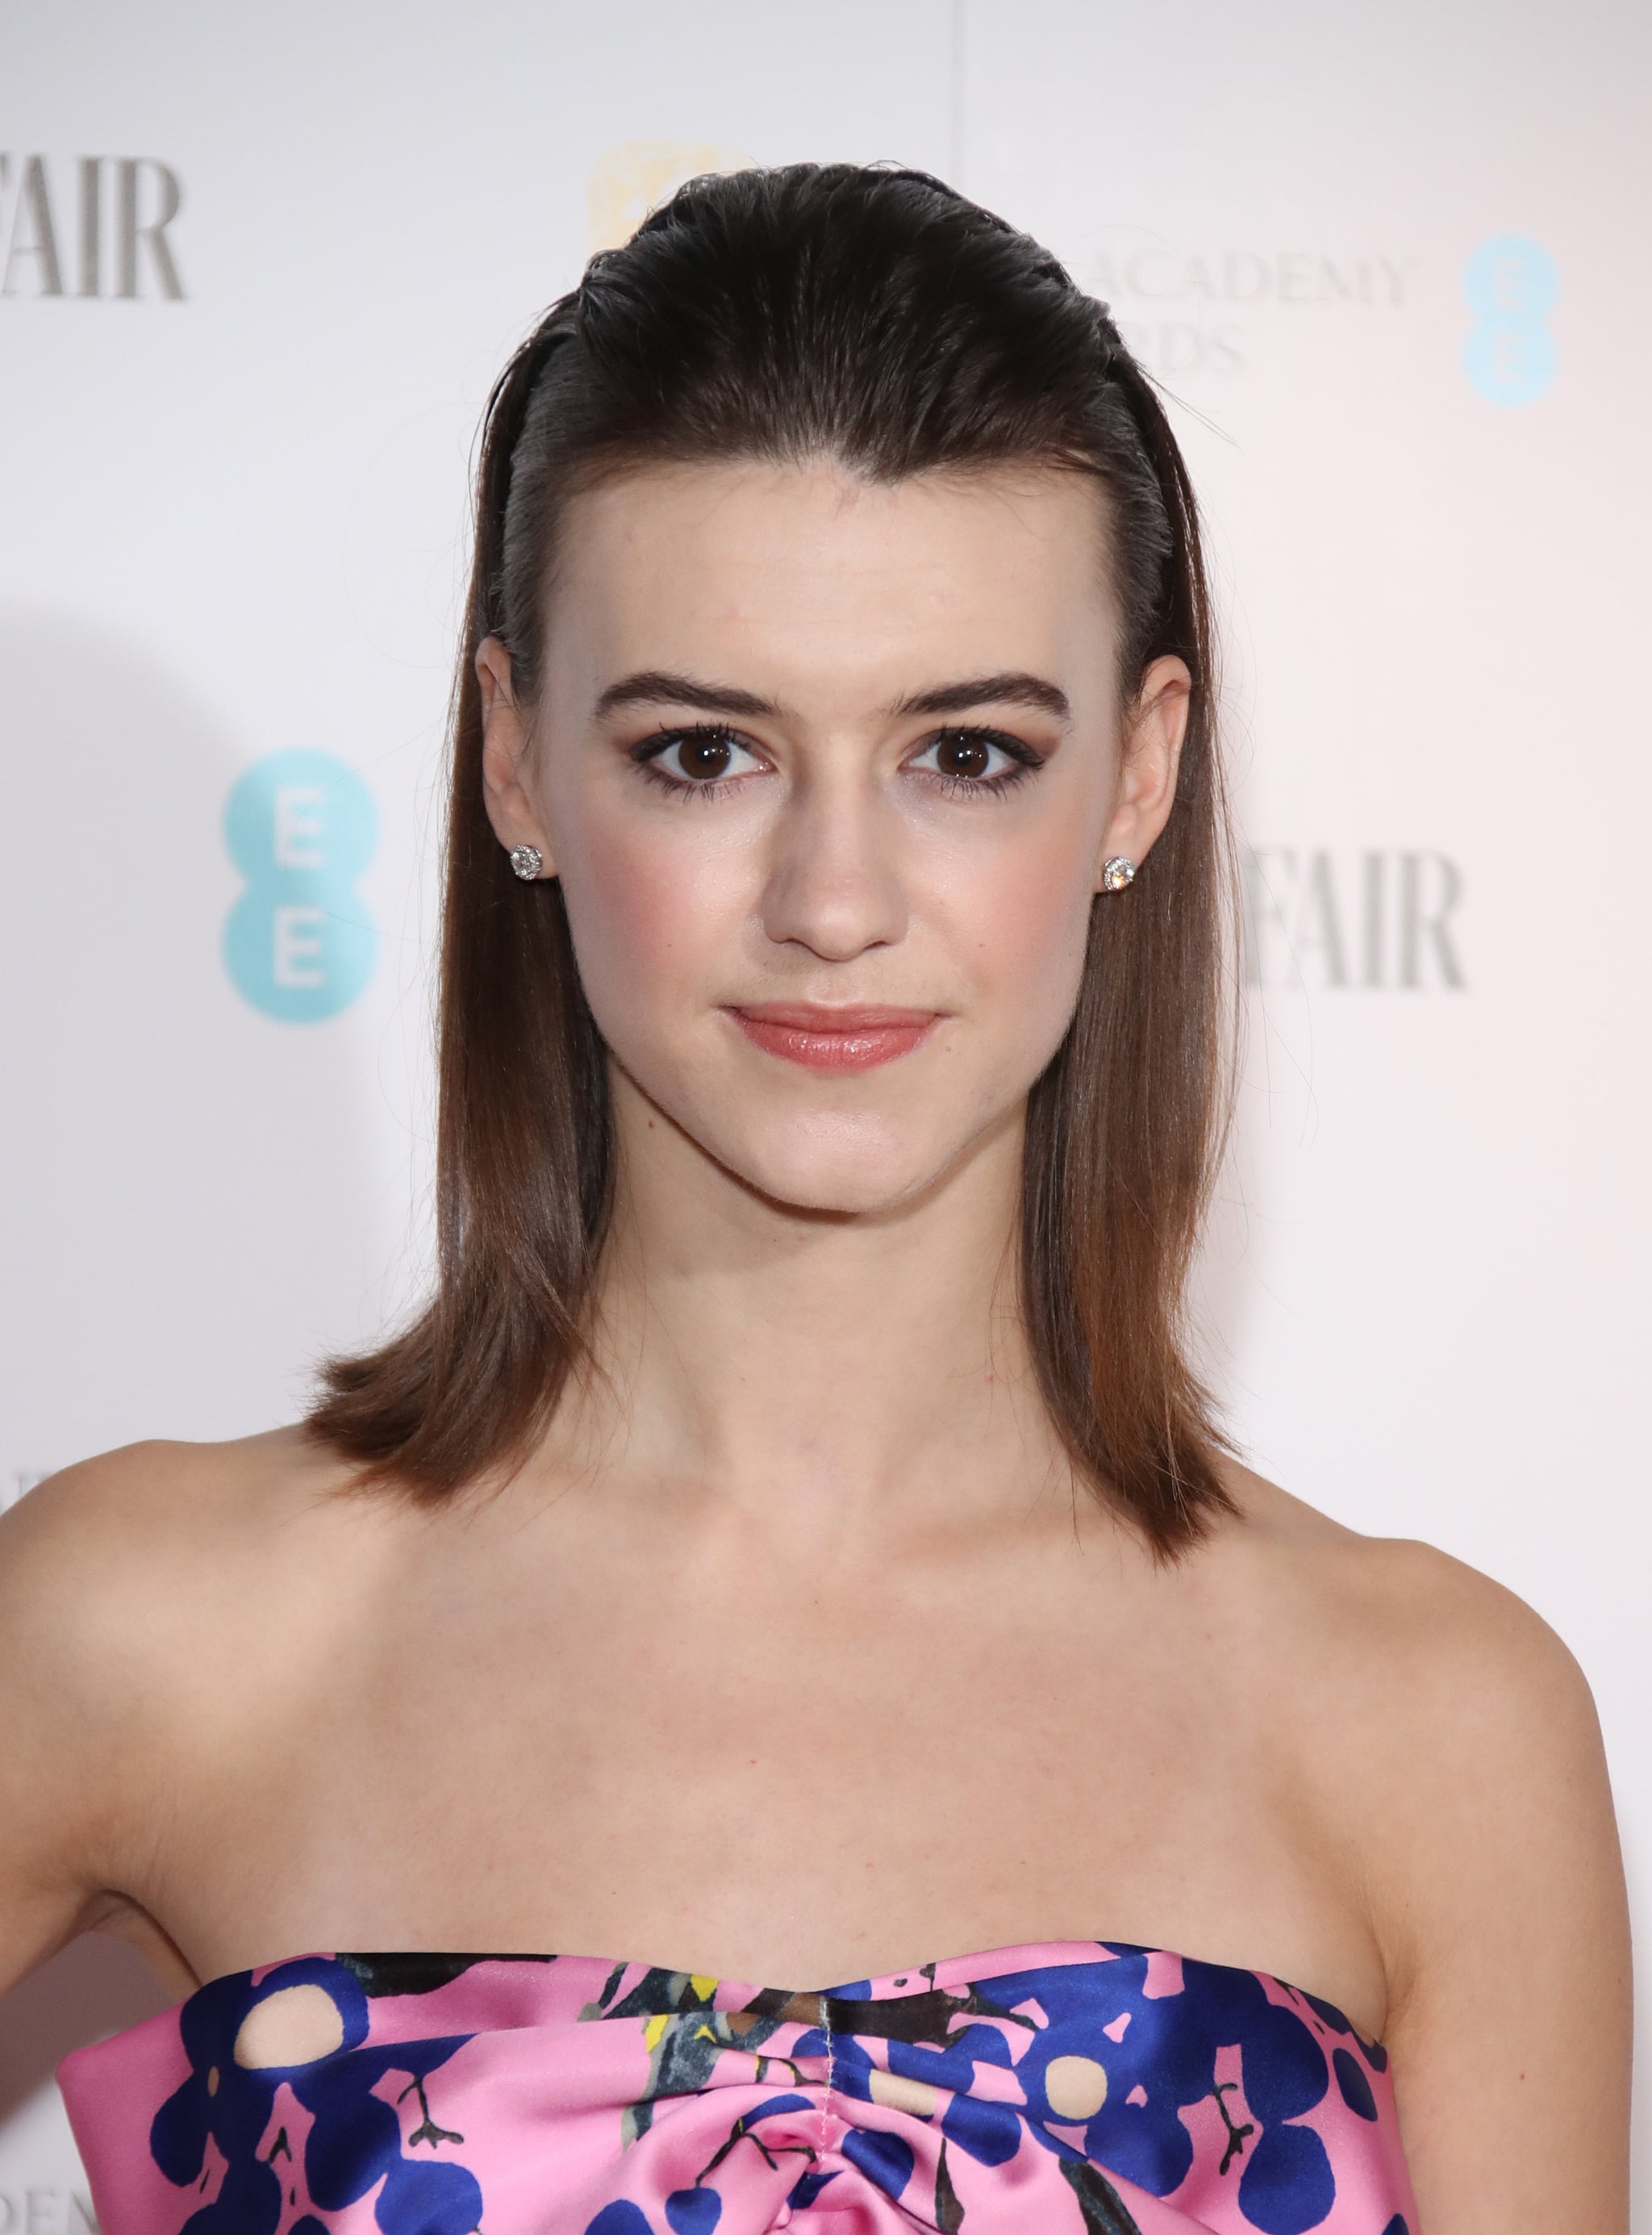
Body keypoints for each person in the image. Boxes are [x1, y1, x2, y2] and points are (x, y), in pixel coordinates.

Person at [0, 165, 1628, 2235]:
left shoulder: (1435, 1731)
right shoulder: (148, 1628)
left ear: (1138, 773)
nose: (833, 900)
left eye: (966, 753)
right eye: (705, 753)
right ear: (516, 758)